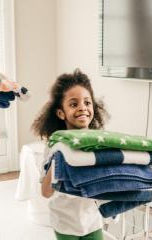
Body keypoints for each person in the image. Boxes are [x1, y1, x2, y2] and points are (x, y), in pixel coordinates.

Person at [32, 69, 109, 240]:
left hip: (92, 220)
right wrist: (58, 157)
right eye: (74, 104)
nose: (83, 107)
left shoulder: (99, 142)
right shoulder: (54, 146)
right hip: (65, 222)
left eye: (87, 103)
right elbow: (45, 192)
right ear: (61, 113)